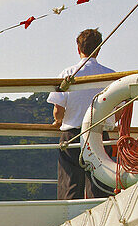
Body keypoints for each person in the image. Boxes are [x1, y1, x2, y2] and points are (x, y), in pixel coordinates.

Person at [48, 29, 115, 200]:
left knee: (70, 186)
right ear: (99, 49)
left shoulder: (68, 74)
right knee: (100, 185)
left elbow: (59, 109)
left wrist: (57, 121)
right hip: (100, 135)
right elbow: (119, 108)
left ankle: (68, 222)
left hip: (72, 135)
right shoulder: (111, 76)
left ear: (78, 49)